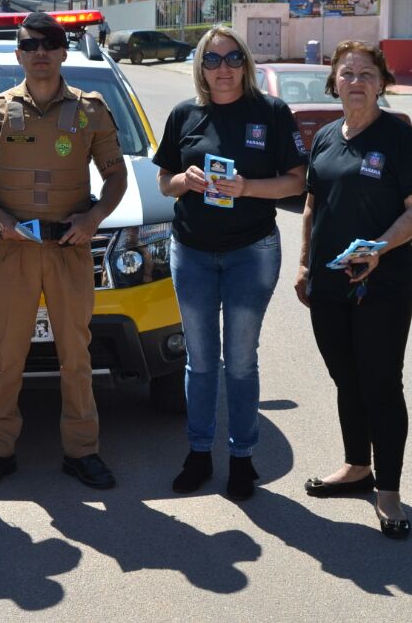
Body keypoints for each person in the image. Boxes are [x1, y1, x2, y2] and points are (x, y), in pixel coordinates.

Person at [0, 12, 128, 490]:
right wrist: (1, 220)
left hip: (69, 250)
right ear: (18, 52)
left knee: (76, 355)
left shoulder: (91, 110)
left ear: (62, 51)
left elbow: (116, 176)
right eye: (30, 44)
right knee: (7, 355)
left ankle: (82, 450)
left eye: (50, 43)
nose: (40, 52)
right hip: (14, 251)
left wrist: (93, 219)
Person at [153, 24, 306, 500]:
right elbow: (164, 183)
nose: (224, 69)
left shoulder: (272, 113)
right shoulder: (185, 115)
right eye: (213, 60)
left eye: (233, 58)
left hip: (251, 252)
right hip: (192, 252)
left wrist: (249, 188)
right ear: (200, 66)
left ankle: (242, 459)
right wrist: (187, 180)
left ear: (246, 64)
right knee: (200, 362)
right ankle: (199, 453)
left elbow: (297, 182)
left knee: (239, 362)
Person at [296, 41, 412, 540]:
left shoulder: (400, 138)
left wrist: (378, 247)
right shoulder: (327, 137)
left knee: (380, 383)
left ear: (382, 82)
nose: (356, 81)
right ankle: (358, 467)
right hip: (329, 282)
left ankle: (389, 490)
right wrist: (306, 264)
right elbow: (313, 205)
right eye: (347, 73)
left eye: (366, 73)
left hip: (384, 281)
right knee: (345, 378)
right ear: (335, 82)